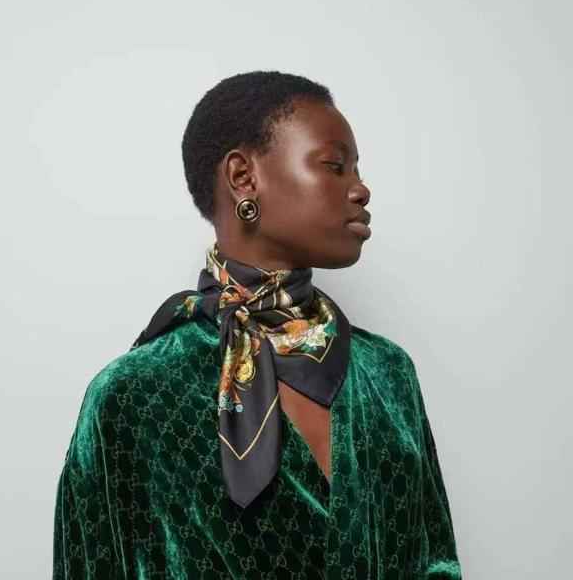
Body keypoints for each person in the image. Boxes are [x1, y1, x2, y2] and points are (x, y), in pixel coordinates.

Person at [52, 70, 462, 579]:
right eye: (335, 166)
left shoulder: (389, 374)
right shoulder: (131, 397)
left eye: (357, 169)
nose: (360, 189)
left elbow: (436, 563)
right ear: (243, 178)